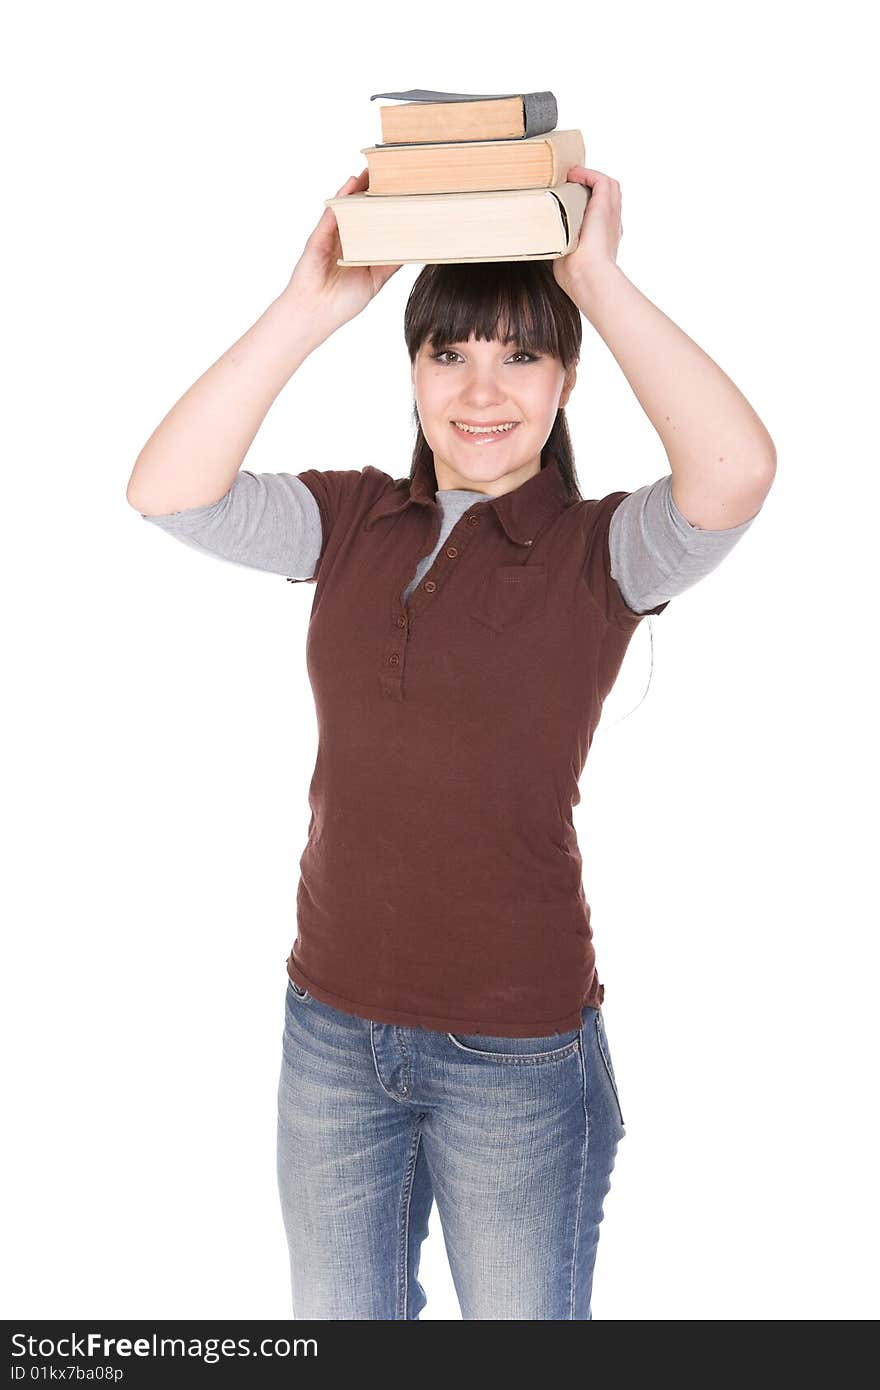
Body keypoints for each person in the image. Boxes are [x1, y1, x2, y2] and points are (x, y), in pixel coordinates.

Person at [126, 167, 776, 1319]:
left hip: (514, 1054)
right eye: (448, 354)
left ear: (566, 377)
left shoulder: (601, 550)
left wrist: (596, 281)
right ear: (414, 370)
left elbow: (736, 472)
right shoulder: (353, 520)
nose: (482, 391)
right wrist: (311, 307)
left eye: (520, 356)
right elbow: (168, 489)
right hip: (328, 1029)